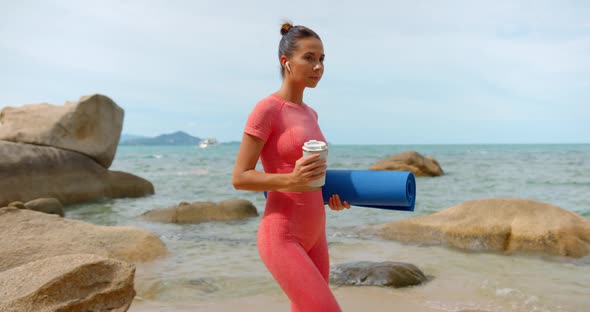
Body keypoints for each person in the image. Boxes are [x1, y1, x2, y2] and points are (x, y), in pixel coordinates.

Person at [232, 21, 350, 312]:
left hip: (316, 232)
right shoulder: (267, 109)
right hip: (282, 234)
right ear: (286, 62)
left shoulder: (312, 114)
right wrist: (290, 181)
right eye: (309, 58)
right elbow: (240, 177)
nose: (318, 66)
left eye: (321, 59)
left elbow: (310, 177)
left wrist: (333, 198)